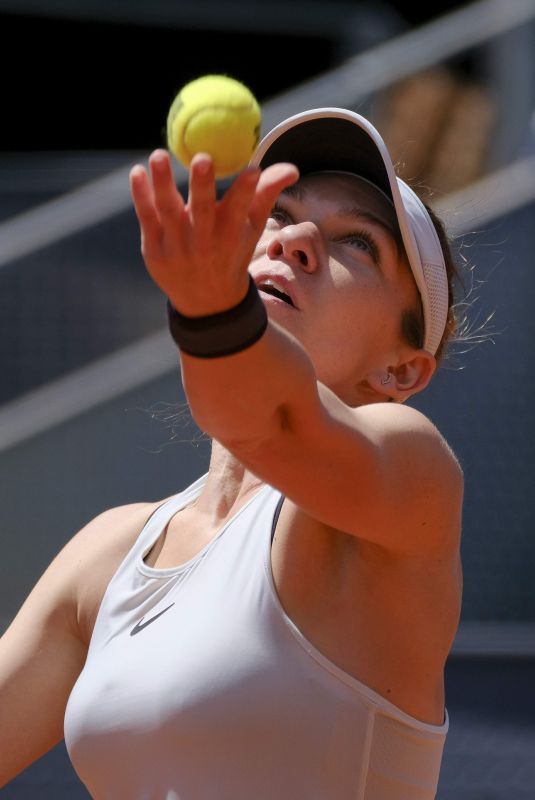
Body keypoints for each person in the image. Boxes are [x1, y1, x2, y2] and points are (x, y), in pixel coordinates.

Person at [0, 108, 464, 799]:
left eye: (357, 244)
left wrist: (213, 309)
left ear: (400, 372)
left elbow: (269, 420)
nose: (296, 238)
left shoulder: (412, 466)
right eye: (278, 213)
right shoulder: (107, 552)